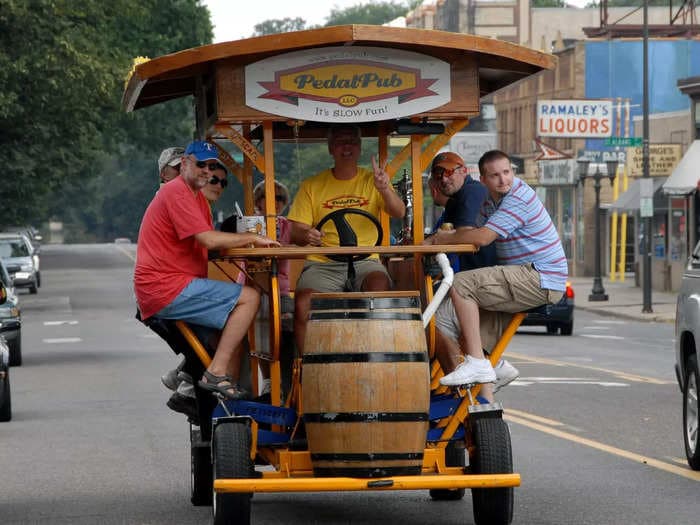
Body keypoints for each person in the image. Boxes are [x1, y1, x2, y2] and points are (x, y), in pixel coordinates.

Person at [135, 140, 279, 403]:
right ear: (186, 164)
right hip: (166, 288)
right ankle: (215, 373)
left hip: (174, 285)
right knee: (250, 298)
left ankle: (215, 401)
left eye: (211, 166)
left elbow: (205, 243)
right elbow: (208, 240)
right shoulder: (176, 191)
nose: (206, 171)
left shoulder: (196, 198)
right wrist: (253, 238)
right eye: (200, 164)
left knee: (228, 330)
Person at [426, 149, 567, 397]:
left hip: (539, 276)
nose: (503, 180)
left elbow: (481, 237)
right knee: (446, 321)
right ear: (483, 179)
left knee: (460, 284)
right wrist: (442, 238)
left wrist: (442, 238)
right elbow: (469, 232)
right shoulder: (490, 202)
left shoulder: (517, 197)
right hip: (519, 276)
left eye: (507, 172)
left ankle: (480, 365)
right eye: (495, 175)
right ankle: (485, 406)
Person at [288, 124, 405, 353]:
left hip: (365, 260)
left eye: (352, 141)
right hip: (323, 263)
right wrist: (307, 234)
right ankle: (305, 370)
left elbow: (399, 212)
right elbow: (294, 230)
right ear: (331, 148)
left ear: (360, 148)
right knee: (303, 304)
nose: (347, 147)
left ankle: (376, 358)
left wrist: (384, 189)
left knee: (379, 287)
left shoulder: (375, 181)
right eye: (341, 141)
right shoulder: (312, 185)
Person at [427, 152, 519, 392]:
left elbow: (463, 236)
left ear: (464, 171)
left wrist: (434, 241)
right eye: (438, 174)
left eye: (449, 171)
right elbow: (445, 235)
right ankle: (484, 380)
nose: (444, 178)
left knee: (433, 319)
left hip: (491, 283)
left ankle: (473, 384)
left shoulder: (472, 192)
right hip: (480, 281)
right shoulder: (456, 200)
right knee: (435, 304)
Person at [164, 160, 231, 418]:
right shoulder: (184, 201)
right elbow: (206, 240)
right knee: (240, 309)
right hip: (173, 290)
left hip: (182, 287)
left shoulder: (199, 206)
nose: (218, 185)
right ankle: (197, 387)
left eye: (223, 182)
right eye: (214, 179)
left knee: (230, 325)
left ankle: (185, 378)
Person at [252, 180, 292, 395]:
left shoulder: (286, 225)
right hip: (253, 284)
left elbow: (304, 235)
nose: (274, 202)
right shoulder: (250, 223)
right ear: (258, 201)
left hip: (280, 288)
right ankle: (268, 380)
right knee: (259, 320)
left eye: (279, 198)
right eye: (268, 197)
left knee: (288, 324)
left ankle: (289, 381)